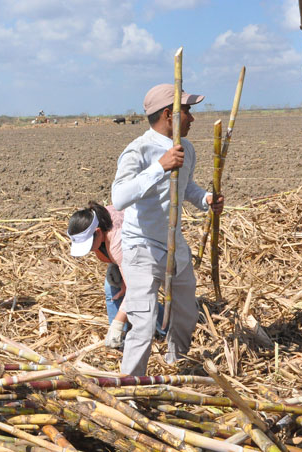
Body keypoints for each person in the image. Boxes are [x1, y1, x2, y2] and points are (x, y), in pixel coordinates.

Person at [111, 83, 224, 375]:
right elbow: (120, 197)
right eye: (186, 111)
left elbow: (187, 189)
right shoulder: (139, 150)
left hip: (175, 244)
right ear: (168, 115)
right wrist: (159, 167)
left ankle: (177, 367)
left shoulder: (186, 149)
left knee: (187, 314)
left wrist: (206, 199)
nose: (192, 118)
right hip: (142, 247)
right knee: (144, 321)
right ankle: (129, 386)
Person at [67, 202, 167, 348]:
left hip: (151, 253)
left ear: (98, 232)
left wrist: (118, 323)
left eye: (89, 245)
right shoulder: (98, 216)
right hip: (129, 256)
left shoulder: (119, 242)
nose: (89, 251)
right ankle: (119, 341)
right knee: (112, 288)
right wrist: (120, 270)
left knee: (143, 297)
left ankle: (167, 329)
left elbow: (136, 290)